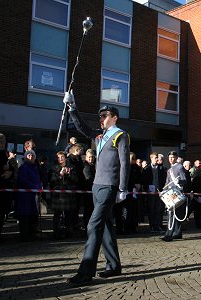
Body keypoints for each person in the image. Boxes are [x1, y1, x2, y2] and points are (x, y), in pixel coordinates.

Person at [63, 92, 130, 285]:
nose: (101, 119)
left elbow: (124, 163)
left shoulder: (120, 135)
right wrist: (72, 107)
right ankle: (114, 266)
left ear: (114, 118)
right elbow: (82, 128)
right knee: (106, 226)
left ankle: (86, 272)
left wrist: (122, 188)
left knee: (93, 225)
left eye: (105, 116)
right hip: (96, 186)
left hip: (109, 186)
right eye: (100, 116)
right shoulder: (100, 136)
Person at [162, 151, 190, 242]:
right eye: (169, 157)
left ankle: (169, 235)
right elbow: (167, 181)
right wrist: (164, 190)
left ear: (176, 158)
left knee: (175, 214)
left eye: (172, 157)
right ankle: (177, 233)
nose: (171, 159)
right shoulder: (169, 170)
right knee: (172, 213)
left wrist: (179, 182)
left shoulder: (179, 167)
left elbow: (184, 179)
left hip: (177, 193)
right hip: (170, 193)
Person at [14, 150, 42, 242]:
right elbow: (23, 180)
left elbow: (37, 180)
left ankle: (31, 234)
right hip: (24, 196)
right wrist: (34, 187)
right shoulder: (23, 167)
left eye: (32, 155)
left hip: (32, 196)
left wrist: (39, 186)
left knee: (32, 215)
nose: (31, 156)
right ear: (26, 157)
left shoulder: (35, 168)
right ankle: (24, 236)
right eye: (29, 155)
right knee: (24, 216)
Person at [51, 151, 78, 239]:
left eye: (62, 157)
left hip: (68, 193)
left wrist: (69, 174)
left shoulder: (72, 167)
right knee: (57, 214)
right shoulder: (55, 168)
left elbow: (76, 180)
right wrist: (60, 175)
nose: (60, 159)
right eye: (58, 157)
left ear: (65, 158)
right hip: (58, 194)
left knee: (68, 215)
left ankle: (68, 232)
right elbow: (52, 180)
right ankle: (56, 233)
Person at [0, 133, 15, 241]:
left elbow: (11, 168)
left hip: (3, 190)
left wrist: (10, 173)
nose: (3, 144)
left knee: (1, 215)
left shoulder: (4, 153)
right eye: (1, 142)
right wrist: (1, 169)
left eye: (4, 142)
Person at [82, 149, 96, 229]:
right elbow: (89, 178)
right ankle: (87, 227)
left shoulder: (93, 165)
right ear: (86, 157)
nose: (91, 159)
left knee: (91, 210)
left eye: (92, 157)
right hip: (88, 191)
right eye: (89, 157)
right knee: (88, 210)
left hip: (92, 190)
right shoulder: (86, 166)